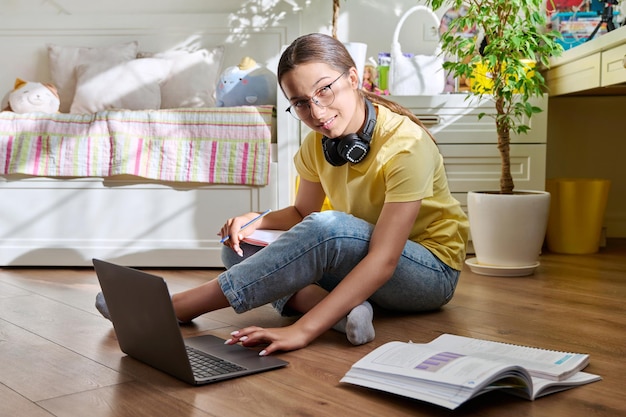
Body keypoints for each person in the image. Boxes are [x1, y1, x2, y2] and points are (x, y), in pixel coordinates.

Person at [96, 32, 469, 356]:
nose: (317, 111)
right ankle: (344, 313)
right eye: (302, 103)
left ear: (353, 78)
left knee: (330, 228)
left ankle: (179, 306)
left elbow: (383, 258)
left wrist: (302, 330)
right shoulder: (318, 143)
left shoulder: (405, 144)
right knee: (238, 246)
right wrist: (255, 221)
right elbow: (301, 213)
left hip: (428, 273)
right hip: (361, 260)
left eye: (324, 90)